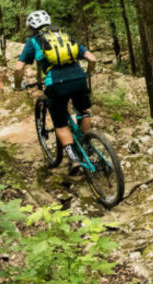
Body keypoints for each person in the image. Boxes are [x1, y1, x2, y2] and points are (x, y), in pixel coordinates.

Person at [13, 10, 97, 175]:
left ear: (31, 28)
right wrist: (88, 73)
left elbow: (18, 68)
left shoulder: (34, 41)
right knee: (83, 112)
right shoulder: (65, 36)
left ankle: (73, 159)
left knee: (60, 124)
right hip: (79, 79)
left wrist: (17, 85)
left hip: (56, 84)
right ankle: (88, 145)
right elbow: (92, 58)